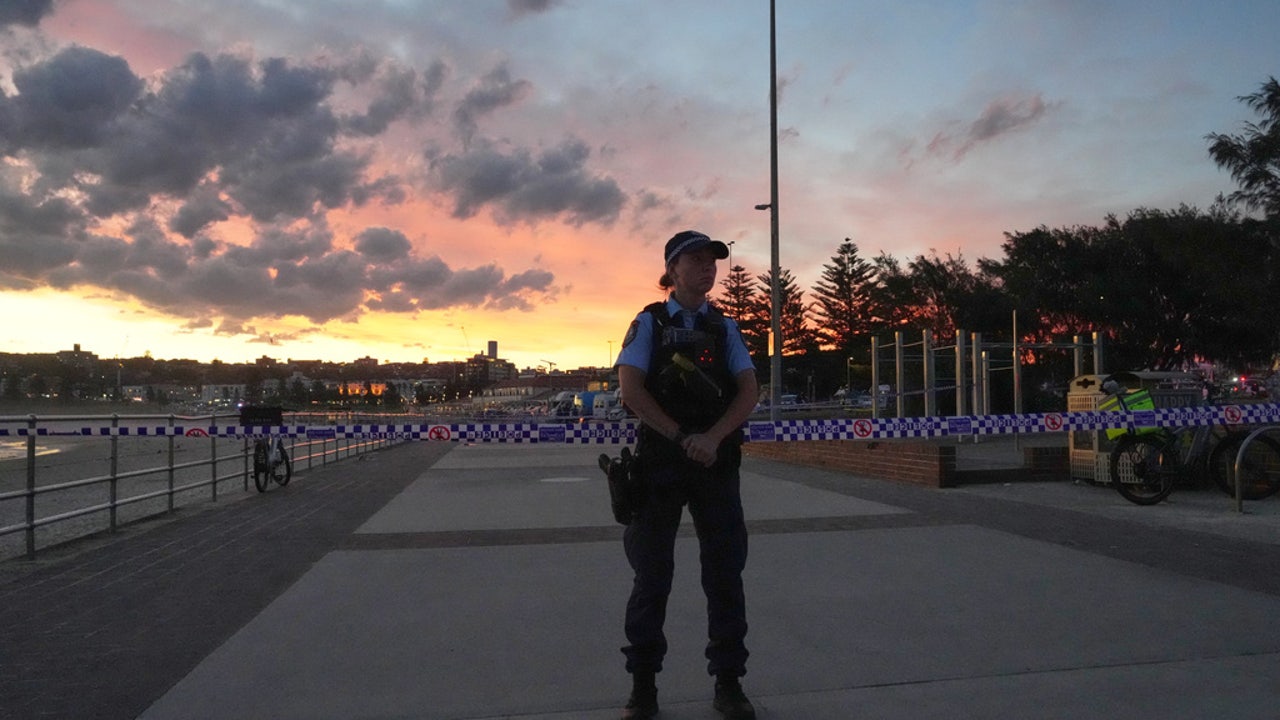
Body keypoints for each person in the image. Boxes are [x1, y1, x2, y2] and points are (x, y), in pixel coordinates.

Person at [613, 230, 760, 720]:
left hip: (714, 463)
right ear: (672, 270)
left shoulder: (725, 327)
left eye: (712, 261)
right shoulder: (649, 323)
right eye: (695, 260)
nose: (708, 268)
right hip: (661, 463)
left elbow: (748, 392)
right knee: (652, 576)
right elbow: (631, 390)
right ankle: (643, 687)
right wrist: (681, 437)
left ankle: (729, 683)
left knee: (725, 575)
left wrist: (713, 438)